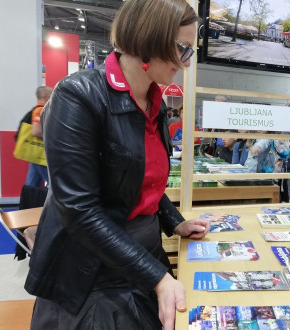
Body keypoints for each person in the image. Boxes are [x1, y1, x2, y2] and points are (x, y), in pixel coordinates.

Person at [25, 1, 210, 329]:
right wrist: (159, 278)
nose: (186, 63)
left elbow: (140, 179)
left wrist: (175, 222)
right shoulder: (79, 95)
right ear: (148, 39)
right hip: (93, 271)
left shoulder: (156, 101)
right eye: (183, 49)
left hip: (144, 255)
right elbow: (78, 210)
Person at [25, 86, 52, 187]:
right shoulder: (40, 110)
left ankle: (28, 202)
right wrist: (52, 139)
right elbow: (36, 132)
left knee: (31, 184)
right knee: (53, 183)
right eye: (51, 94)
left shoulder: (39, 110)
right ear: (45, 96)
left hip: (36, 154)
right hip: (41, 154)